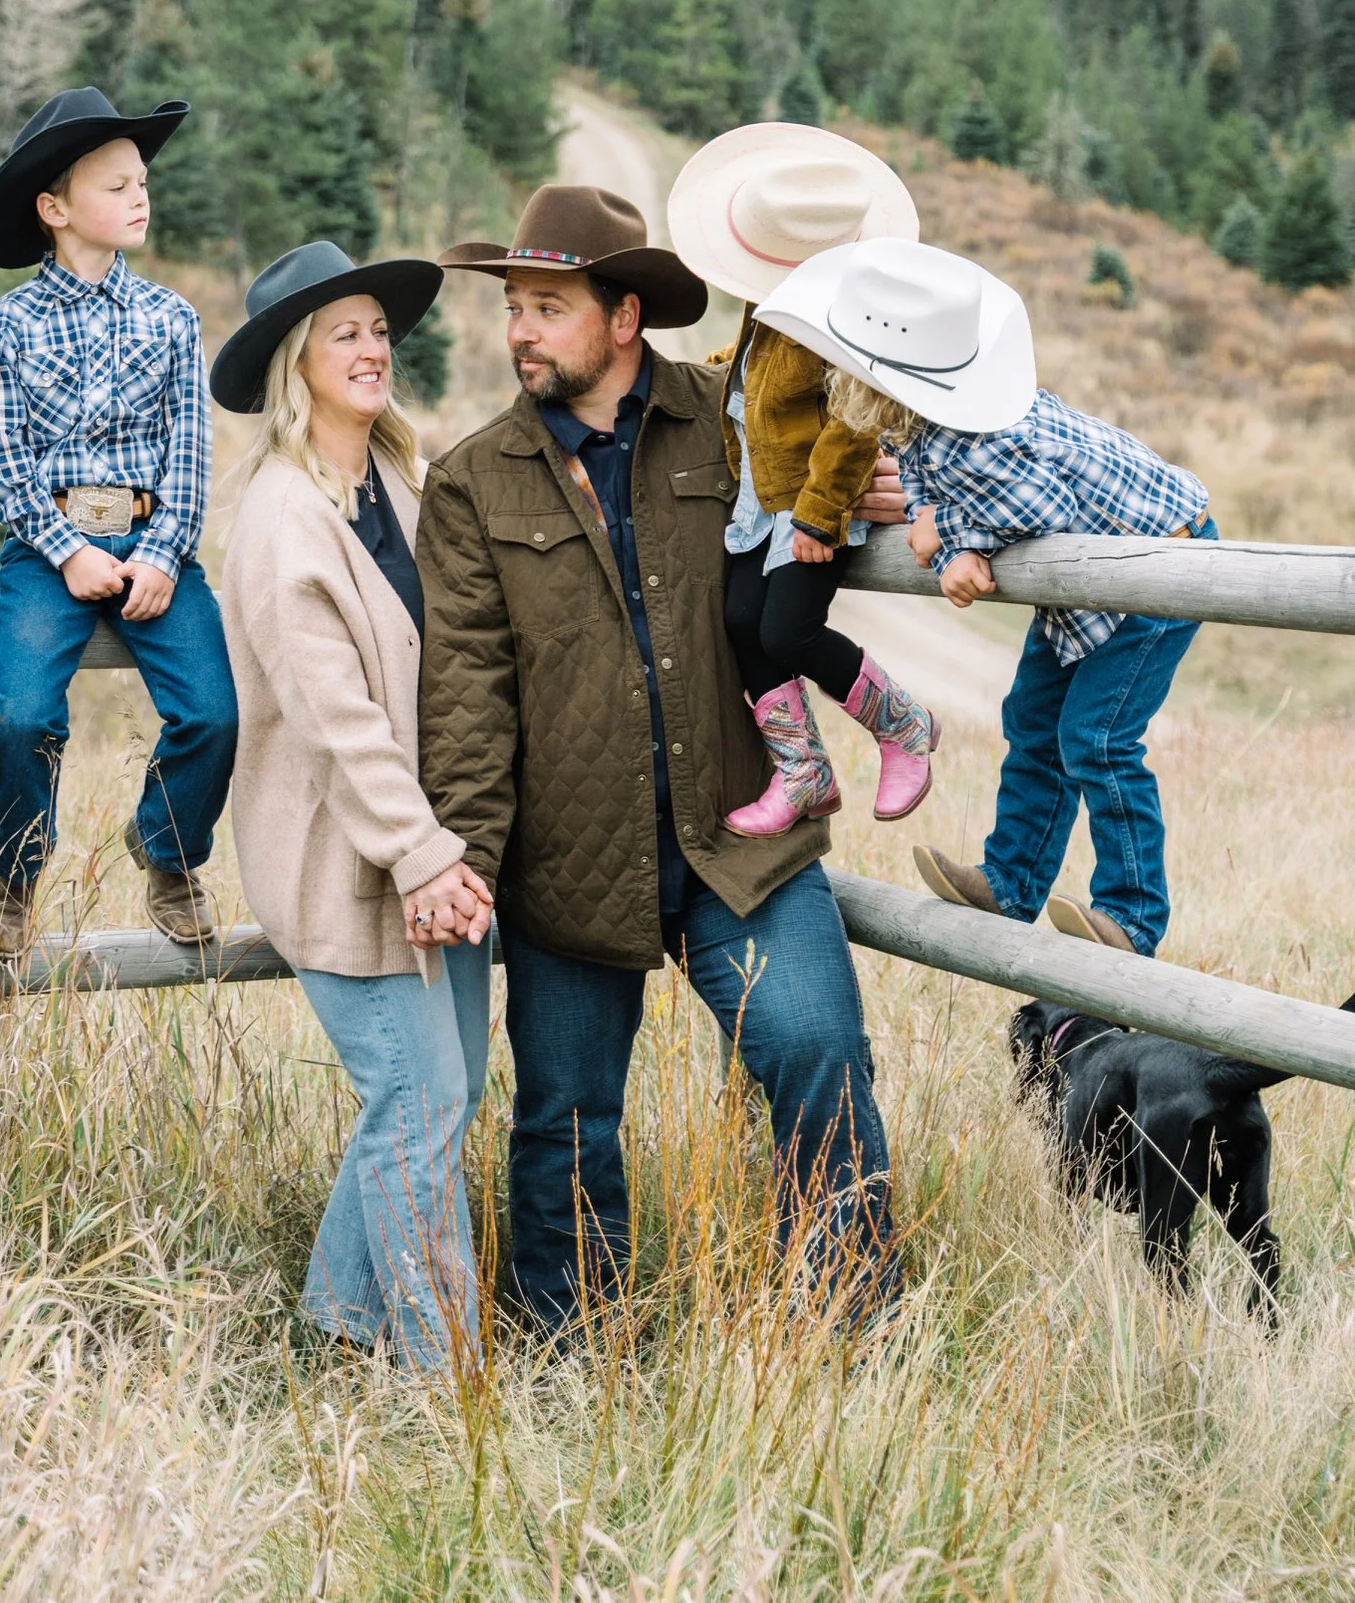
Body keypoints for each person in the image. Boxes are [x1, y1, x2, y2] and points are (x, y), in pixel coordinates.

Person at [416, 183, 900, 1332]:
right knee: (566, 1119)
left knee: (819, 1058)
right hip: (573, 859)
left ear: (623, 316)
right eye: (514, 308)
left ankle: (847, 1332)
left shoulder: (728, 424)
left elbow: (816, 505)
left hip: (744, 835)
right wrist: (469, 857)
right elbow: (468, 693)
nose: (520, 330)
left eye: (547, 306)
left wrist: (873, 498)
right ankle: (569, 1351)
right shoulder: (474, 482)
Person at [755, 236, 1214, 958]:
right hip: (1089, 583)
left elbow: (1037, 506)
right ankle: (1011, 884)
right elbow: (930, 488)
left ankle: (1131, 916)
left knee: (1095, 737)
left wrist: (956, 536)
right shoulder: (926, 423)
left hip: (1160, 563)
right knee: (1032, 721)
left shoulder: (984, 434)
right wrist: (940, 526)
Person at [212, 241, 494, 1370]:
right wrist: (420, 856)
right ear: (299, 361)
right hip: (349, 866)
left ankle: (339, 1326)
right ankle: (447, 1381)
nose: (374, 348)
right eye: (346, 333)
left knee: (440, 1099)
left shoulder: (397, 485)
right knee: (419, 1109)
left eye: (380, 329)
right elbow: (335, 723)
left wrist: (444, 850)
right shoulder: (285, 520)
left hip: (429, 853)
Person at [0, 88, 237, 969]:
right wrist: (68, 548)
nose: (139, 197)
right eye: (117, 186)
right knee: (17, 714)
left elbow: (190, 449)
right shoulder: (3, 328)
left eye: (142, 182)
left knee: (212, 713)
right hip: (51, 548)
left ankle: (167, 849)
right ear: (54, 209)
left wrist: (161, 551)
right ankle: (12, 871)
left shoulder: (171, 318)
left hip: (157, 540)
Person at [667, 123, 938, 836]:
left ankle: (903, 724)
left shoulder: (846, 317)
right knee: (738, 621)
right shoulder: (768, 301)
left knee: (788, 629)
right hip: (764, 496)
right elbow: (755, 368)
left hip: (810, 506)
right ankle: (802, 770)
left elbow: (856, 420)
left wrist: (822, 513)